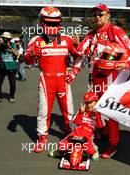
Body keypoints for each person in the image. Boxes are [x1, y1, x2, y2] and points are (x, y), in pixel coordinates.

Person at [66, 3, 130, 158]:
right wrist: (74, 44)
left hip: (111, 80)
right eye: (95, 15)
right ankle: (104, 132)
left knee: (111, 112)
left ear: (108, 15)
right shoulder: (91, 35)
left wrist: (126, 64)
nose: (97, 17)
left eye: (100, 14)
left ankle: (114, 144)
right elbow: (80, 52)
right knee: (95, 109)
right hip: (94, 80)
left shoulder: (115, 30)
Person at [24, 6, 79, 153]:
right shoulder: (35, 40)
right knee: (43, 111)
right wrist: (31, 55)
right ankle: (42, 138)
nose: (52, 26)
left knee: (69, 111)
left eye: (55, 23)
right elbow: (27, 62)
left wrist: (73, 72)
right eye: (49, 23)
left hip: (63, 81)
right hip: (46, 81)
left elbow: (79, 56)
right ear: (42, 22)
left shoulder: (67, 40)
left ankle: (70, 133)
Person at [49, 91, 104, 161]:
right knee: (61, 146)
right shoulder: (81, 111)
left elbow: (100, 126)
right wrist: (80, 113)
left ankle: (95, 150)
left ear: (96, 101)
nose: (89, 105)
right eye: (86, 103)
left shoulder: (99, 113)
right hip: (77, 131)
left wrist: (97, 114)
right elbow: (73, 124)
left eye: (91, 102)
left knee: (90, 151)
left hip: (88, 134)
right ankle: (60, 152)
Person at [0, 32, 18, 104]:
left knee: (12, 84)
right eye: (5, 38)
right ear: (3, 38)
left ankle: (11, 96)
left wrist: (9, 47)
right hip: (1, 67)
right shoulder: (0, 45)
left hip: (11, 66)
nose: (7, 40)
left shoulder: (12, 44)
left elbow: (16, 53)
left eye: (8, 39)